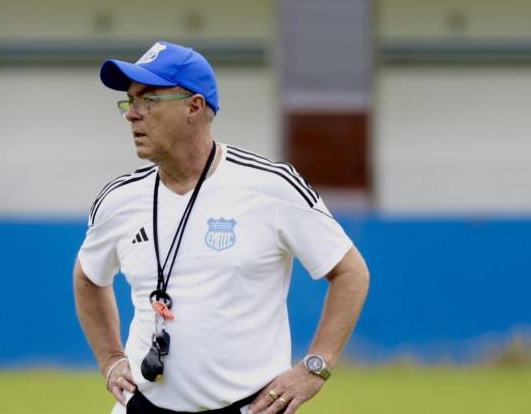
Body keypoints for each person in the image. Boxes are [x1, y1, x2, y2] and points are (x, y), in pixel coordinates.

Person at [74, 41, 370, 414]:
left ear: (194, 107)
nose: (132, 114)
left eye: (148, 100)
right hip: (142, 405)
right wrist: (111, 359)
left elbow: (350, 273)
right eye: (130, 101)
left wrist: (316, 367)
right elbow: (88, 278)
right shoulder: (118, 199)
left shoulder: (271, 186)